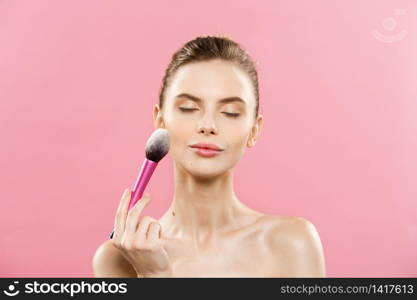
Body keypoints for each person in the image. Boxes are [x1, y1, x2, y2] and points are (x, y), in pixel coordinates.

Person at [92, 35, 326, 277]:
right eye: (189, 108)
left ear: (254, 131)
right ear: (160, 121)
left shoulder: (291, 244)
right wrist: (153, 274)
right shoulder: (118, 258)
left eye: (230, 112)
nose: (208, 124)